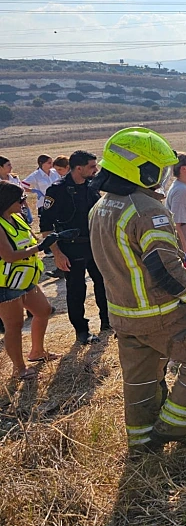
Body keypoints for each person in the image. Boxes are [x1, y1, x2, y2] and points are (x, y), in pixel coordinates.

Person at [89, 127, 186, 451]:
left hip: (123, 315)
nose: (162, 177)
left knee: (141, 381)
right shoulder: (146, 209)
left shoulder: (100, 208)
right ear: (143, 170)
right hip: (159, 314)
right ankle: (176, 425)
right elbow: (165, 269)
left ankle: (143, 444)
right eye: (159, 169)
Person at [41, 150, 110, 344]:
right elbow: (46, 227)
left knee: (103, 284)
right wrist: (57, 254)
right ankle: (81, 330)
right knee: (76, 290)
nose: (96, 170)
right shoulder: (57, 190)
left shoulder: (92, 185)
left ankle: (107, 322)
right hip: (71, 249)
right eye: (92, 167)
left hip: (95, 245)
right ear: (78, 168)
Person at [0, 181, 62, 380]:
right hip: (6, 284)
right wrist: (41, 247)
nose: (25, 202)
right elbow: (9, 256)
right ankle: (19, 368)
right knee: (14, 325)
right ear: (6, 201)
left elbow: (32, 240)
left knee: (43, 310)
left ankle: (37, 352)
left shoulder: (17, 217)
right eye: (20, 199)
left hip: (25, 278)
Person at [23, 154, 61, 219]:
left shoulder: (55, 172)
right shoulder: (35, 175)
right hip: (44, 204)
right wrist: (33, 190)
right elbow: (22, 186)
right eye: (49, 163)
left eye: (52, 162)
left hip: (58, 202)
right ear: (41, 163)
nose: (51, 164)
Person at [0, 156, 33, 224]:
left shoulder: (14, 178)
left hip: (18, 207)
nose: (11, 167)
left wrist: (27, 209)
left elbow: (22, 195)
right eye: (8, 165)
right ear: (0, 167)